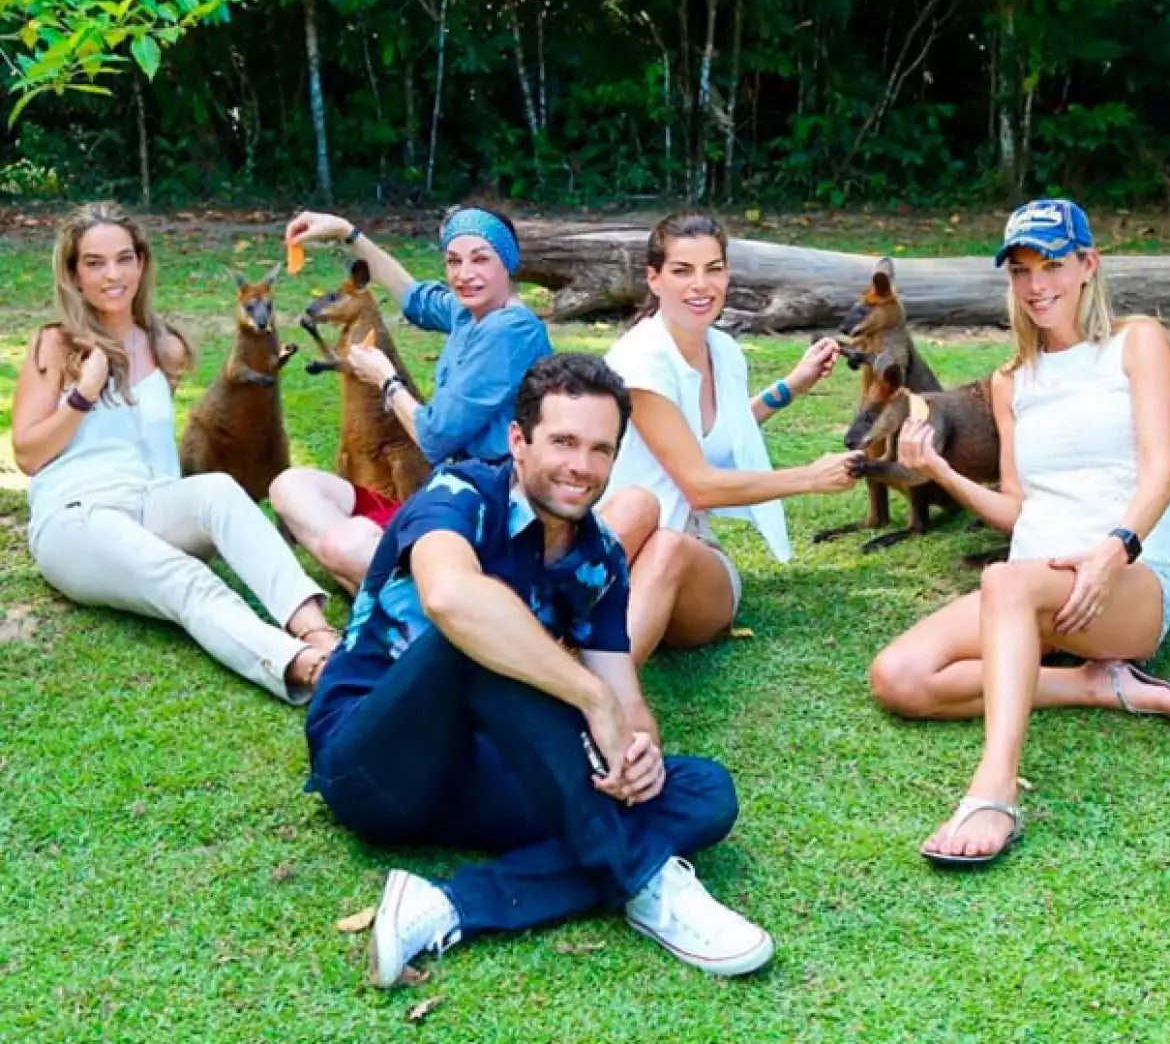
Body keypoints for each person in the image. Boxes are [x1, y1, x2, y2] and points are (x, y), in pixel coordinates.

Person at [305, 353, 774, 982]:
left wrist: (640, 757)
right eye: (563, 442)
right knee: (486, 632)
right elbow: (450, 598)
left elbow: (627, 700)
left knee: (703, 792)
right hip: (374, 764)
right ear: (518, 441)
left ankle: (446, 906)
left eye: (600, 449)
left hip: (485, 772)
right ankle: (644, 877)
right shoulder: (459, 497)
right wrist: (591, 697)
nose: (581, 466)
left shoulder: (598, 556)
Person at [868, 198, 1170, 867]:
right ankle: (1094, 685)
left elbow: (1160, 472)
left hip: (1125, 582)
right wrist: (939, 472)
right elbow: (1017, 510)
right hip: (1031, 590)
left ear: (1088, 265)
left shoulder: (1138, 343)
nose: (1036, 284)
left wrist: (1113, 551)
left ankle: (995, 792)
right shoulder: (1011, 380)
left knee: (1006, 581)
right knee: (898, 677)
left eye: (1051, 265)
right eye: (1021, 270)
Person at [12, 202, 340, 701]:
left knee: (221, 491)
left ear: (141, 263)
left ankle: (318, 632)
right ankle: (297, 664)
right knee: (184, 578)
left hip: (151, 506)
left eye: (124, 259)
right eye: (95, 263)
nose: (113, 275)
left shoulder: (162, 345)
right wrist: (84, 393)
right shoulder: (57, 344)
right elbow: (28, 455)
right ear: (75, 274)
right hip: (77, 518)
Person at [598, 211, 861, 664]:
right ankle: (591, 678)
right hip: (622, 544)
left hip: (690, 556)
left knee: (669, 546)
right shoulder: (642, 360)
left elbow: (719, 433)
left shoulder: (723, 351)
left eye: (713, 269)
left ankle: (597, 678)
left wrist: (790, 388)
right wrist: (810, 478)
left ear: (727, 275)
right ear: (654, 279)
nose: (701, 285)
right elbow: (699, 486)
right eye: (682, 271)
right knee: (642, 519)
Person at [270, 206, 552, 592]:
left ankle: (419, 593)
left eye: (480, 259)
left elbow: (434, 438)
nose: (464, 274)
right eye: (453, 261)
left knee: (342, 545)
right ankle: (397, 583)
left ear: (508, 262)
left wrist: (387, 380)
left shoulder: (510, 332)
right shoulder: (472, 313)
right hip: (443, 496)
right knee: (290, 486)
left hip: (485, 510)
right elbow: (414, 298)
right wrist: (348, 233)